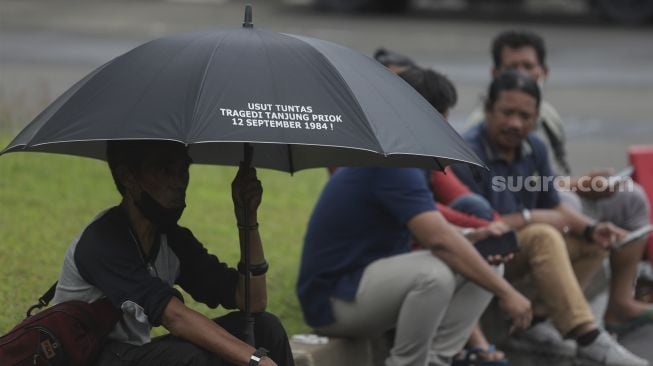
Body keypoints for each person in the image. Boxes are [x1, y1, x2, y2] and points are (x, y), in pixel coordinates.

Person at [296, 73, 533, 366]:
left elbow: (432, 228)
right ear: (422, 114)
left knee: (488, 263)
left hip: (365, 287)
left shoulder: (403, 155)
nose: (446, 126)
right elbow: (437, 240)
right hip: (334, 302)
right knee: (432, 275)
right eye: (443, 116)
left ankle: (436, 360)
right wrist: (508, 294)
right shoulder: (392, 162)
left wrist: (473, 237)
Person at [452, 70, 649, 366]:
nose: (515, 123)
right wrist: (531, 216)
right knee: (543, 234)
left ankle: (536, 322)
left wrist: (592, 229)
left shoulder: (535, 149)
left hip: (518, 250)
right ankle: (588, 337)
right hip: (482, 254)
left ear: (535, 117)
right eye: (507, 113)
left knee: (592, 243)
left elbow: (555, 206)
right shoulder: (467, 153)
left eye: (524, 116)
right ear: (489, 109)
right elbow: (480, 227)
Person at [53, 140, 294, 366]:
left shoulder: (172, 238)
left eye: (184, 169)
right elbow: (175, 317)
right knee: (189, 358)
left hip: (130, 355)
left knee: (266, 328)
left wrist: (247, 218)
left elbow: (252, 300)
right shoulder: (103, 241)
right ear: (127, 176)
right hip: (89, 356)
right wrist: (254, 359)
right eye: (164, 170)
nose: (179, 182)